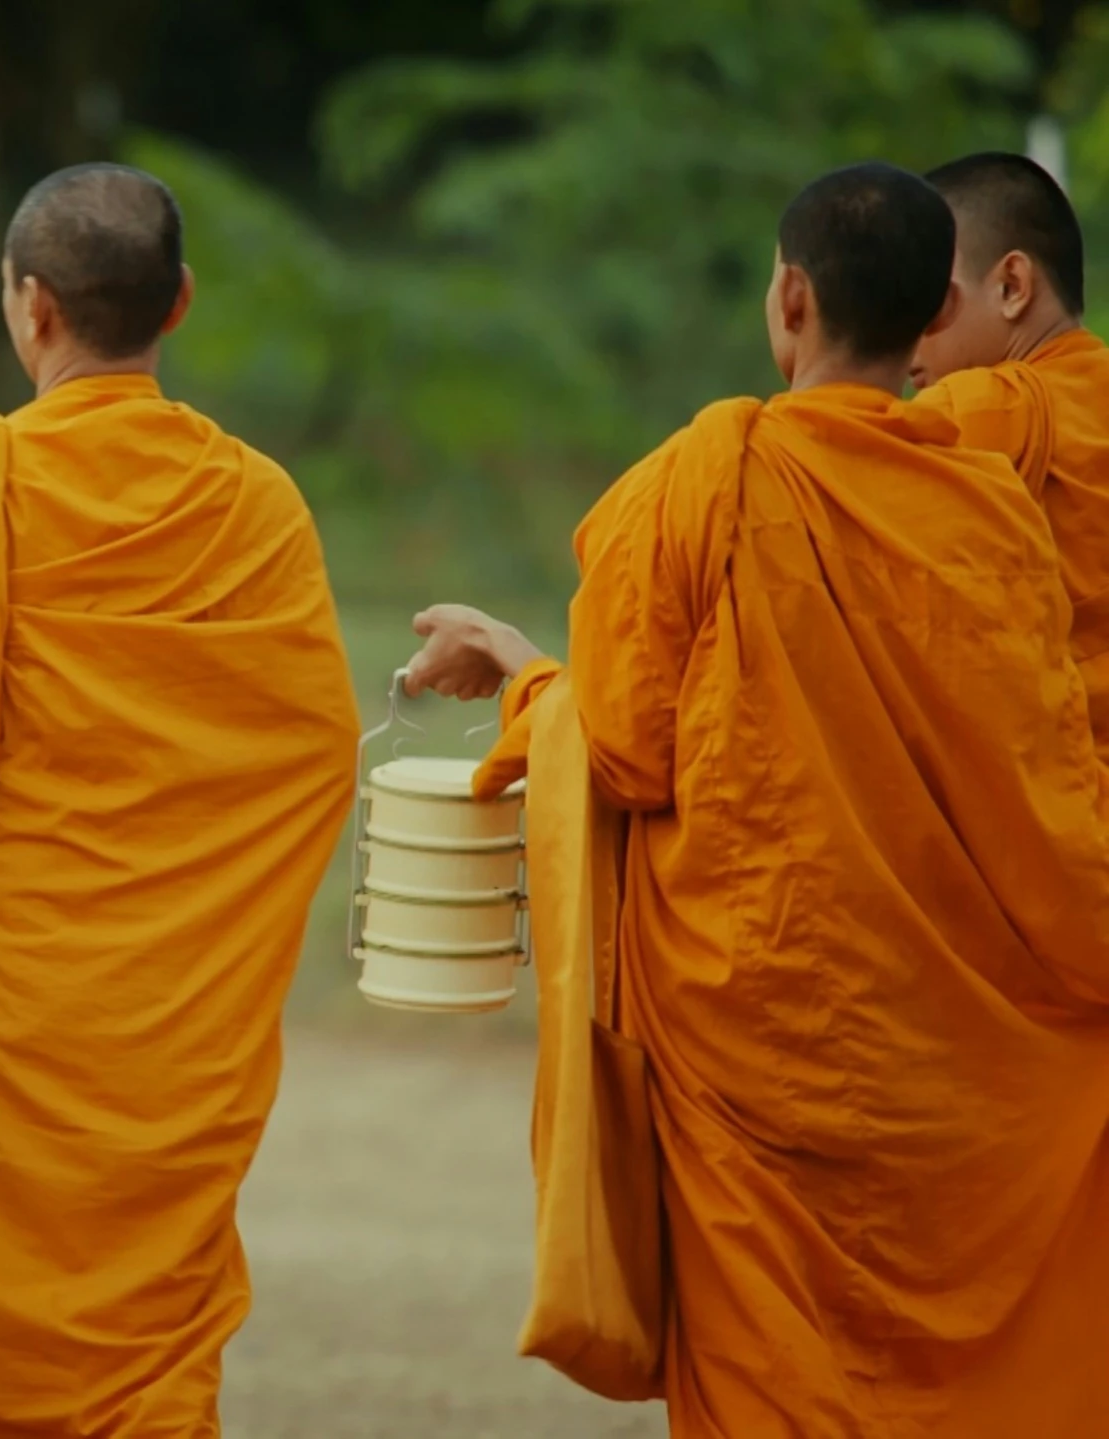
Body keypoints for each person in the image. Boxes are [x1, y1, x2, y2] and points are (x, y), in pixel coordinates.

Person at [407, 163, 1109, 1434]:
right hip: (959, 1056)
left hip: (769, 1043)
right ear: (927, 323)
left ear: (789, 300)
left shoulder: (701, 479)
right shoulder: (993, 512)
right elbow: (1049, 789)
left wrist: (524, 673)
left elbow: (622, 751)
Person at [0, 164, 363, 1436]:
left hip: (1, 1016)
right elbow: (311, 751)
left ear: (29, 308)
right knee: (142, 1365)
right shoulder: (254, 506)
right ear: (181, 301)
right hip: (172, 1034)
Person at [907, 152, 1109, 747]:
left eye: (926, 305)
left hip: (1067, 808)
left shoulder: (979, 410)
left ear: (1011, 286)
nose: (900, 335)